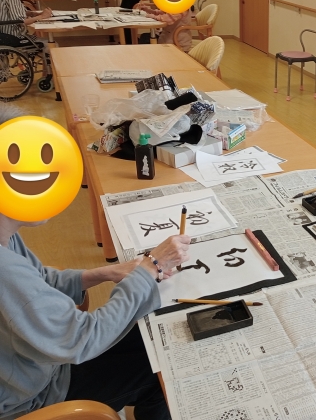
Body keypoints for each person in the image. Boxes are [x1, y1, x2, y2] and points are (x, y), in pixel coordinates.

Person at [0, 105, 191, 419]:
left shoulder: (6, 236)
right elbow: (81, 339)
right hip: (37, 394)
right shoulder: (5, 270)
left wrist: (105, 273)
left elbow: (39, 281)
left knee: (153, 335)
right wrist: (149, 268)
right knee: (163, 369)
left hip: (36, 364)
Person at [0, 0, 53, 76]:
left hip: (3, 32)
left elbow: (15, 13)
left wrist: (33, 13)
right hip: (10, 35)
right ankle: (48, 75)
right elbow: (21, 21)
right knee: (49, 44)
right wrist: (41, 16)